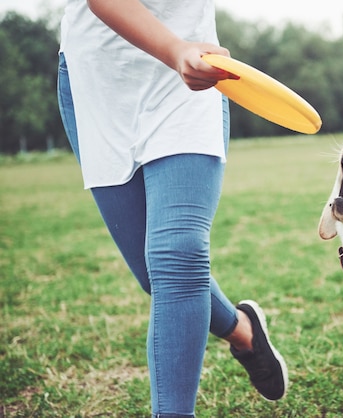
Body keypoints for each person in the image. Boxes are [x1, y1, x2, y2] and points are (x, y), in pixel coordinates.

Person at [56, 0, 288, 416]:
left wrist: (182, 51)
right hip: (97, 77)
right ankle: (242, 330)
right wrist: (172, 49)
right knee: (155, 276)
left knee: (176, 256)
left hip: (190, 74)